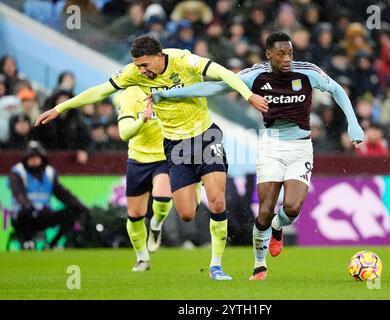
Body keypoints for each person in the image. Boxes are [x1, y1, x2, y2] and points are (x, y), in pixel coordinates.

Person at [35, 35, 268, 280]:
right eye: (137, 65)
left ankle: (216, 266)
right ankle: (194, 186)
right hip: (175, 145)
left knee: (218, 202)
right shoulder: (133, 73)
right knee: (186, 213)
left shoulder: (183, 60)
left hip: (205, 136)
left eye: (145, 65)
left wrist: (248, 95)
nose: (141, 71)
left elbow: (223, 73)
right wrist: (59, 108)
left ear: (159, 56)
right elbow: (99, 91)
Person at [149, 32, 364, 280]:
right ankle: (259, 266)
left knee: (292, 208)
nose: (287, 59)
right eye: (281, 54)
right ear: (269, 54)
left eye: (290, 53)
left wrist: (353, 124)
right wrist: (168, 94)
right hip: (271, 147)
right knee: (264, 210)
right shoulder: (255, 75)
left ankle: (278, 226)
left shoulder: (307, 72)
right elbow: (215, 87)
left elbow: (336, 89)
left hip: (301, 147)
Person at [116, 86, 173, 272]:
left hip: (164, 157)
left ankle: (156, 224)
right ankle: (142, 258)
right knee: (134, 216)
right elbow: (124, 134)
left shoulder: (169, 86)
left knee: (163, 198)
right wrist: (142, 119)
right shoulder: (129, 95)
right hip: (138, 160)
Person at [8, 141, 89, 249]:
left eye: (36, 157)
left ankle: (52, 244)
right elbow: (19, 194)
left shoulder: (49, 172)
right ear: (25, 158)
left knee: (73, 213)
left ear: (42, 158)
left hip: (43, 214)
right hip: (23, 215)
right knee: (25, 214)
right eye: (31, 157)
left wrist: (78, 204)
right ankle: (28, 242)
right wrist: (30, 207)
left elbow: (62, 193)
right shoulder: (18, 172)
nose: (34, 160)